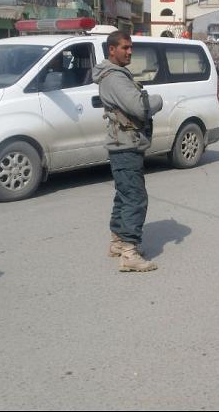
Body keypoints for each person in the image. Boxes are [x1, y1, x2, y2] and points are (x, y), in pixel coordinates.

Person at [93, 31, 164, 272]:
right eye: (125, 47)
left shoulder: (113, 75)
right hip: (126, 145)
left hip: (123, 143)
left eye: (131, 47)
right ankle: (129, 253)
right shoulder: (115, 78)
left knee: (123, 194)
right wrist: (158, 100)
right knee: (135, 197)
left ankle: (117, 242)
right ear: (111, 50)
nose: (129, 51)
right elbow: (140, 108)